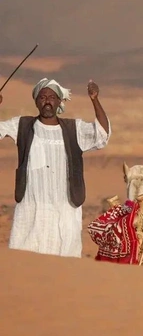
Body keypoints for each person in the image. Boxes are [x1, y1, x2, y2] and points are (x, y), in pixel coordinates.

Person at [0, 78, 111, 257]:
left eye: (52, 97)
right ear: (36, 101)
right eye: (42, 97)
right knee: (26, 259)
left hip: (65, 210)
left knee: (65, 260)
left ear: (59, 101)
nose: (47, 101)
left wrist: (94, 99)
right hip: (31, 210)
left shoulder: (74, 129)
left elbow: (102, 136)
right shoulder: (22, 125)